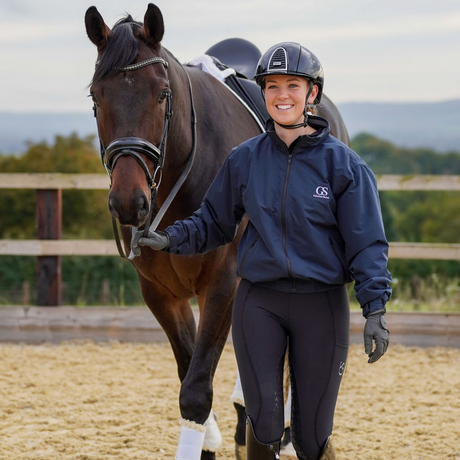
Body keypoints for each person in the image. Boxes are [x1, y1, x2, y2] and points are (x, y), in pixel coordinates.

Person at [137, 42, 391, 460]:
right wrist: (169, 239)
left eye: (293, 85)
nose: (282, 95)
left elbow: (367, 243)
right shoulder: (243, 159)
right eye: (272, 87)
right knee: (263, 426)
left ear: (312, 94)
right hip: (259, 303)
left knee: (310, 437)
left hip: (321, 306)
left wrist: (375, 308)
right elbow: (212, 223)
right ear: (263, 94)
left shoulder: (346, 167)